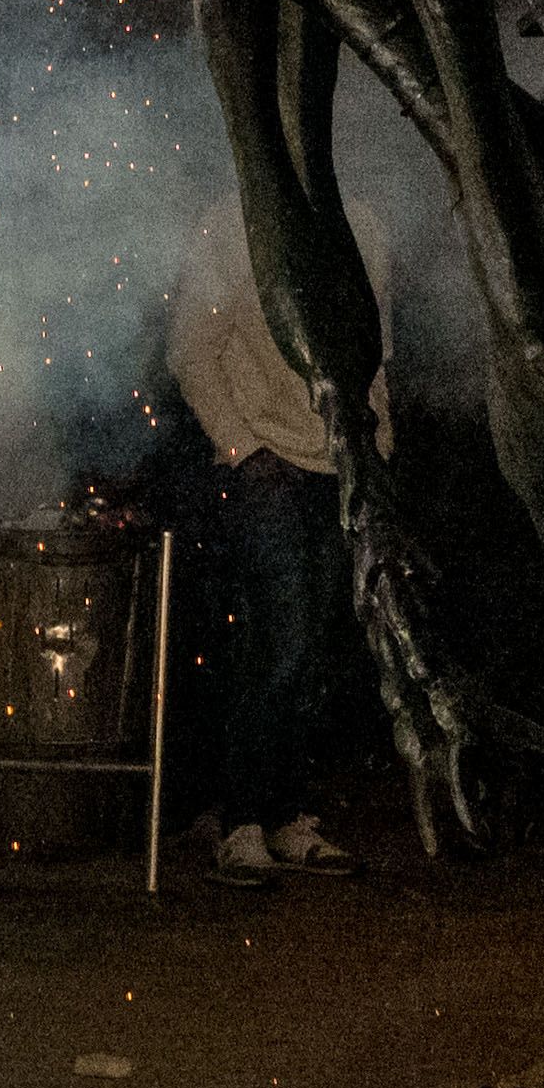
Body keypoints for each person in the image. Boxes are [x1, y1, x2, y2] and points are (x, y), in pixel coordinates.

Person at [166, 200, 374, 889]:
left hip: (338, 464)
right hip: (267, 466)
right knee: (280, 642)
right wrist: (242, 445)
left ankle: (288, 817)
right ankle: (243, 823)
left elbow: (376, 360)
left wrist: (377, 459)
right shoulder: (236, 222)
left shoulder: (366, 223)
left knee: (310, 647)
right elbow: (191, 347)